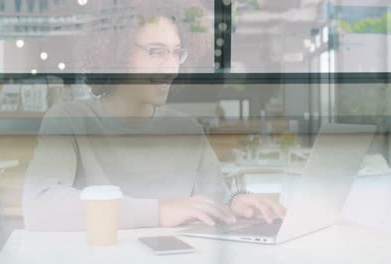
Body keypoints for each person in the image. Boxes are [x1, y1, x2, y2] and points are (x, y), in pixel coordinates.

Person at [23, 0, 285, 231]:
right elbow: (39, 207)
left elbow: (214, 201)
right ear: (117, 53)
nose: (171, 67)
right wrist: (159, 212)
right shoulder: (69, 120)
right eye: (156, 51)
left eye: (176, 52)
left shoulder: (187, 130)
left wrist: (235, 203)